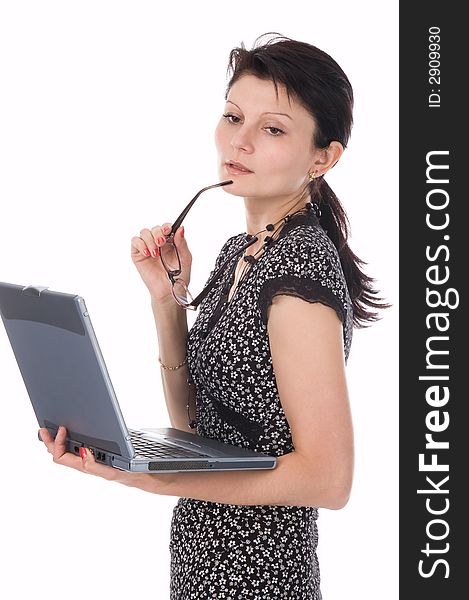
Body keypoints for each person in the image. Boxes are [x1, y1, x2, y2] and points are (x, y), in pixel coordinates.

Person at [40, 33, 388, 599]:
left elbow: (329, 479)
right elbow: (195, 430)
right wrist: (167, 300)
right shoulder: (240, 253)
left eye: (272, 129)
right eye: (232, 117)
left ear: (323, 157)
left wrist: (151, 477)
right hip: (202, 569)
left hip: (263, 582)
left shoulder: (298, 274)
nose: (240, 141)